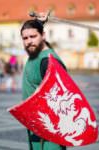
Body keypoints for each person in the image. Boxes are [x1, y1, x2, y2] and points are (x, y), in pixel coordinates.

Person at [21, 13, 66, 150]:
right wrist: (39, 22)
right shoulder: (36, 54)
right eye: (25, 38)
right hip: (36, 128)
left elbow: (61, 101)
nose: (29, 41)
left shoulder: (48, 61)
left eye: (33, 37)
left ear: (43, 35)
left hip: (48, 135)